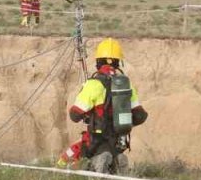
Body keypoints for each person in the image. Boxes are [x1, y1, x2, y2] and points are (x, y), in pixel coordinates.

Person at [56, 38, 148, 169]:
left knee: (72, 153)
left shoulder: (93, 84)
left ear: (98, 61)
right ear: (117, 62)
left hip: (95, 138)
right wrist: (122, 121)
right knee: (112, 163)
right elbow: (140, 116)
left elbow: (75, 115)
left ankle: (59, 170)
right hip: (118, 140)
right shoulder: (127, 86)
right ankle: (116, 160)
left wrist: (87, 114)